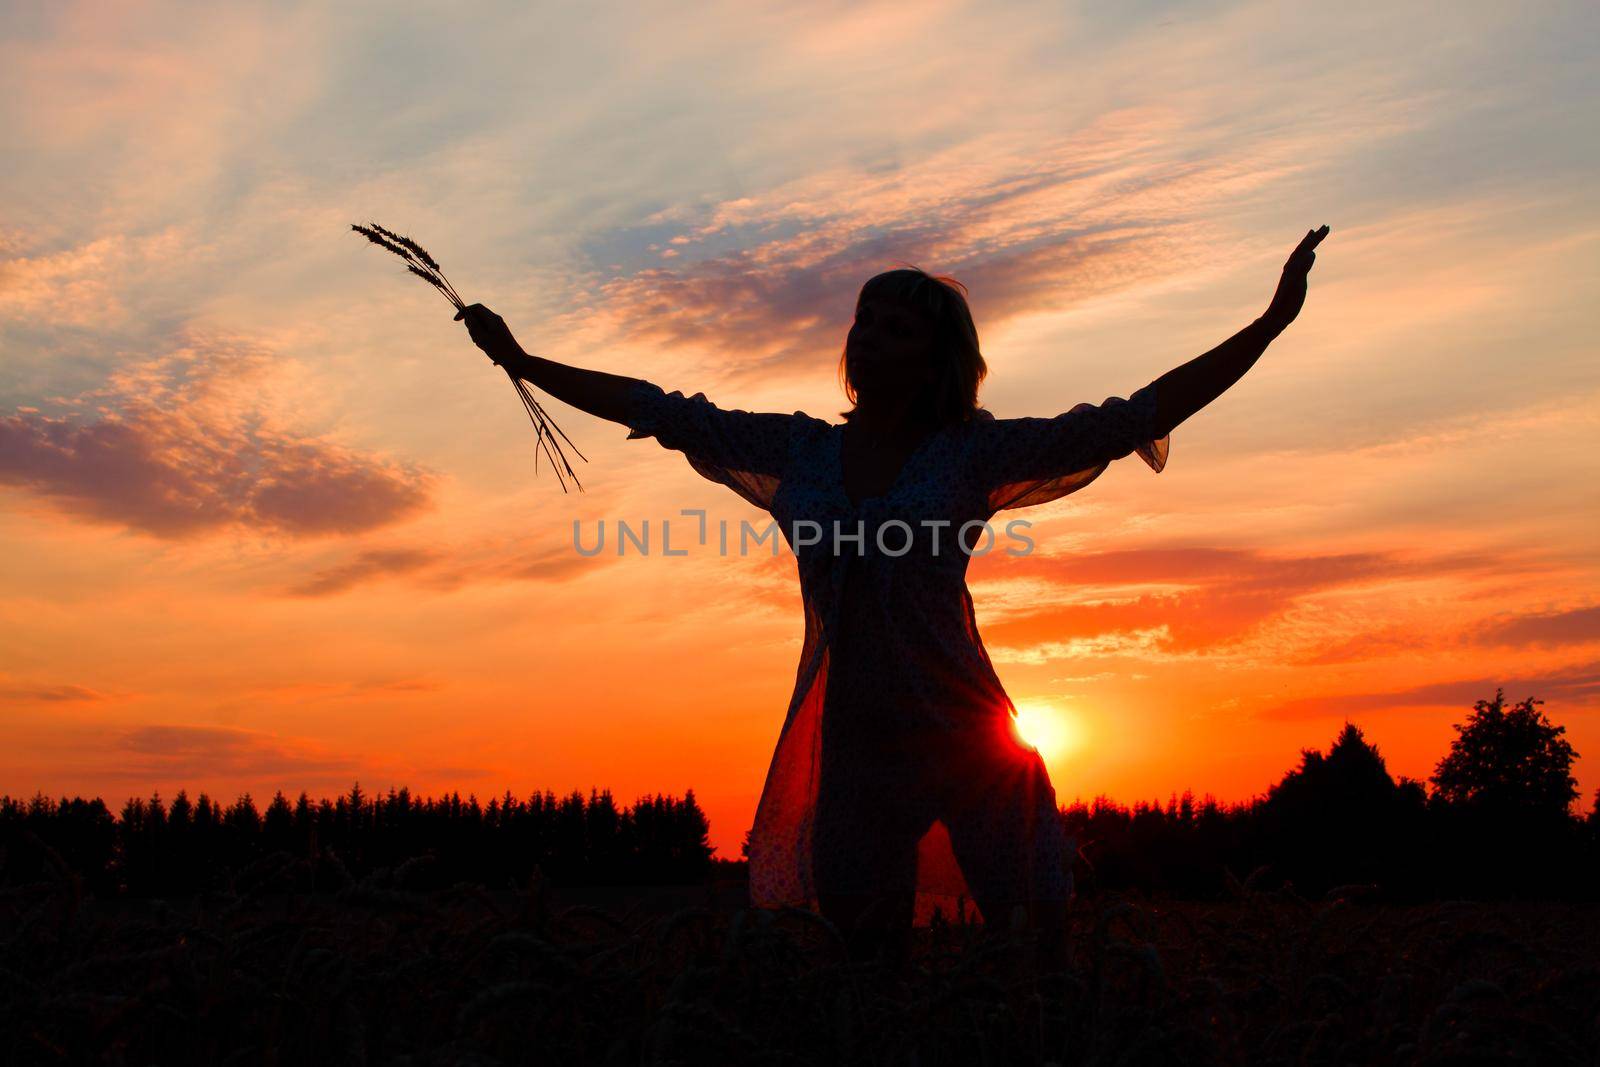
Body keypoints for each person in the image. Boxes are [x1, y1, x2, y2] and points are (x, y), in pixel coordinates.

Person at [458, 225, 1330, 972]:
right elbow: (661, 408)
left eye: (898, 326)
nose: (871, 335)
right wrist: (524, 360)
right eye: (865, 319)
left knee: (1038, 959)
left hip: (972, 737)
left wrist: (1270, 324)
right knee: (860, 970)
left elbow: (1130, 412)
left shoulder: (969, 456)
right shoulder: (798, 452)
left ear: (935, 358)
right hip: (856, 742)